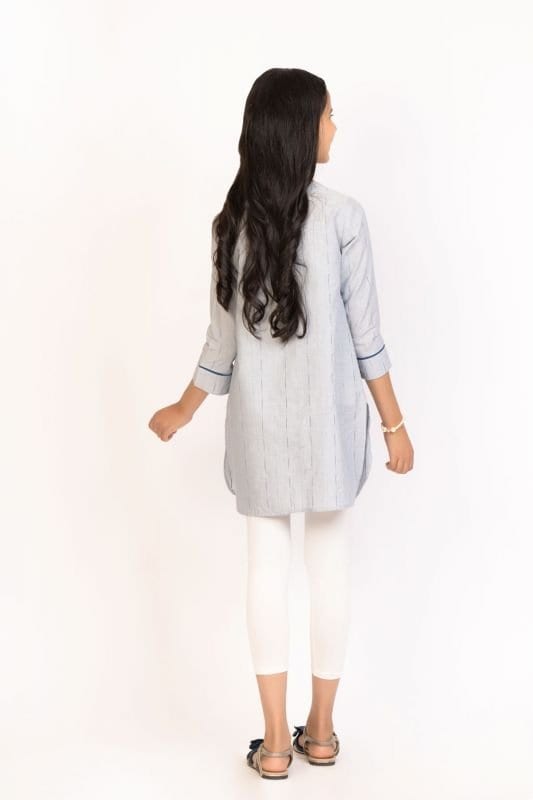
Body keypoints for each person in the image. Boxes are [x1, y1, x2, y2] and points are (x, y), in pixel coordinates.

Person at [148, 68, 414, 780]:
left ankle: (272, 745)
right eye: (328, 116)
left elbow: (222, 344)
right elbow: (366, 336)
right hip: (331, 431)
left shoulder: (231, 224)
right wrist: (393, 426)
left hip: (258, 432)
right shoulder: (343, 218)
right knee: (329, 568)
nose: (335, 127)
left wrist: (185, 407)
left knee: (264, 570)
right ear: (299, 129)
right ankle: (319, 734)